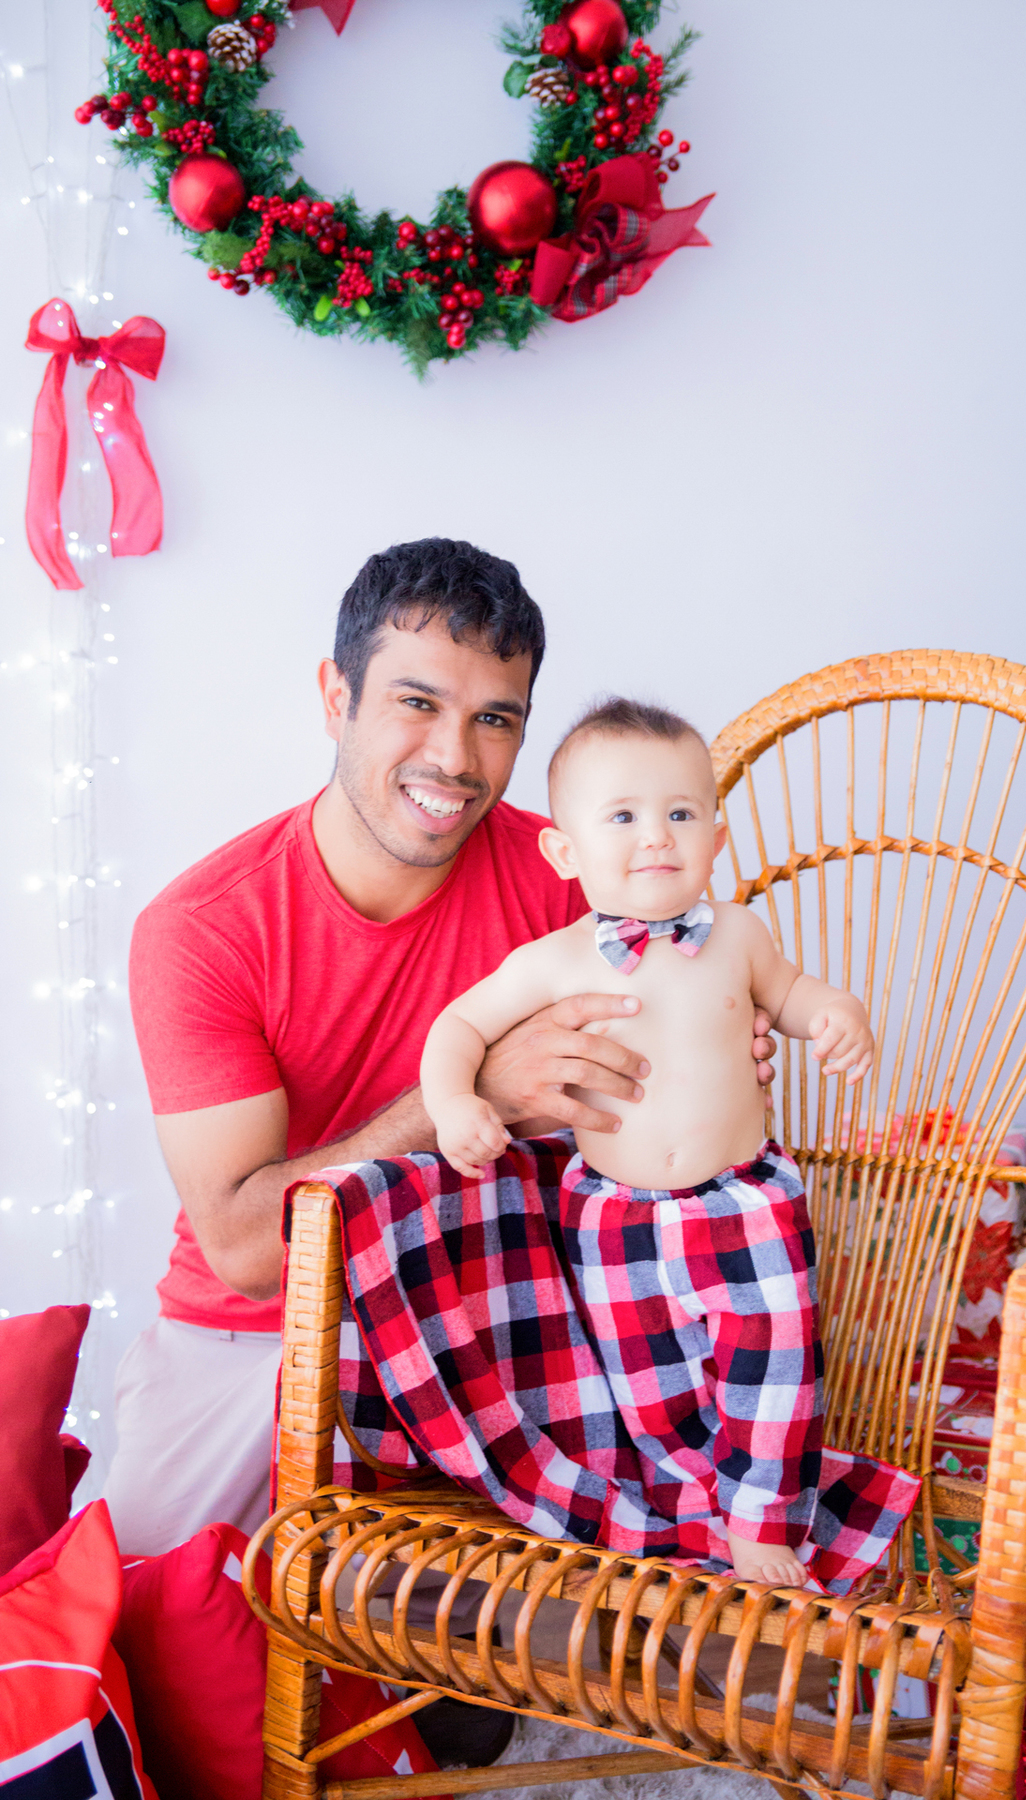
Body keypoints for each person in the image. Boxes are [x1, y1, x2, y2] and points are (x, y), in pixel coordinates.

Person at [106, 543, 776, 1759]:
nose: (454, 760)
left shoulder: (569, 872)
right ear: (335, 697)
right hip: (253, 1330)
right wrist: (467, 1089)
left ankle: (464, 1643)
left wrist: (715, 1057)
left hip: (496, 1309)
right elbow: (248, 1247)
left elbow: (685, 1034)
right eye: (417, 703)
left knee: (692, 1664)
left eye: (496, 720)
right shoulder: (201, 928)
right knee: (142, 1632)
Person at [421, 697, 873, 1588]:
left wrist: (837, 1017)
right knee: (651, 1391)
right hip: (617, 1221)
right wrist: (450, 1104)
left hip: (744, 1206)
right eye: (622, 816)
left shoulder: (740, 935)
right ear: (565, 850)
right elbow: (458, 1027)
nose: (656, 837)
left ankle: (758, 1520)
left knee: (772, 1371)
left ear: (716, 833)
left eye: (679, 813)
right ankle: (686, 1509)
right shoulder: (556, 958)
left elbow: (796, 993)